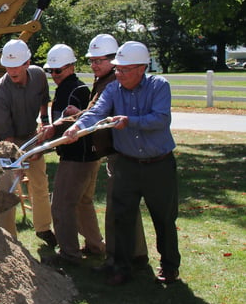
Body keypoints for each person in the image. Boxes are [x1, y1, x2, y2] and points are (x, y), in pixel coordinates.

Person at [64, 41, 180, 285]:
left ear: (141, 68)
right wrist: (76, 127)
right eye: (117, 69)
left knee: (164, 217)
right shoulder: (113, 89)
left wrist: (130, 121)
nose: (118, 74)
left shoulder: (159, 86)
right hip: (126, 164)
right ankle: (121, 266)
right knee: (121, 216)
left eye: (124, 70)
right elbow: (96, 113)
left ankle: (169, 266)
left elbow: (160, 119)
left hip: (159, 165)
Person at [72, 34, 148, 271]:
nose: (94, 65)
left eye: (99, 60)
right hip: (116, 153)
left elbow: (99, 114)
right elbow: (94, 112)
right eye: (92, 61)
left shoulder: (112, 84)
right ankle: (136, 253)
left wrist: (76, 121)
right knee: (125, 205)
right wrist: (78, 118)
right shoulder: (104, 81)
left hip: (122, 153)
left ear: (114, 60)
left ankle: (119, 258)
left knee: (117, 207)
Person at [40, 44, 103, 265]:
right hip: (85, 157)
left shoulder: (76, 90)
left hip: (78, 157)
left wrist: (53, 131)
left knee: (61, 205)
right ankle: (95, 245)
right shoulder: (67, 88)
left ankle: (69, 253)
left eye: (59, 71)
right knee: (83, 203)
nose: (54, 75)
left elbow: (81, 121)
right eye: (51, 71)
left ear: (71, 67)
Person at [0, 39, 54, 244]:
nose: (12, 71)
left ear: (27, 63)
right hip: (6, 143)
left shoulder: (39, 76)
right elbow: (6, 136)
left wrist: (43, 123)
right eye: (8, 66)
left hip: (31, 135)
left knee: (40, 183)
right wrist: (17, 162)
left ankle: (43, 228)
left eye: (17, 66)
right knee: (7, 189)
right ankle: (9, 237)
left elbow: (44, 101)